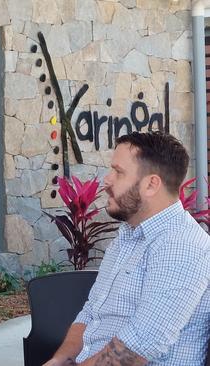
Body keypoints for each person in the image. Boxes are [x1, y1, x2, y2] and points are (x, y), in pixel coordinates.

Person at [45, 131, 210, 366]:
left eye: (118, 172)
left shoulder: (181, 245)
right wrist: (59, 360)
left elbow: (143, 343)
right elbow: (91, 312)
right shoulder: (126, 237)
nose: (107, 179)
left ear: (151, 184)